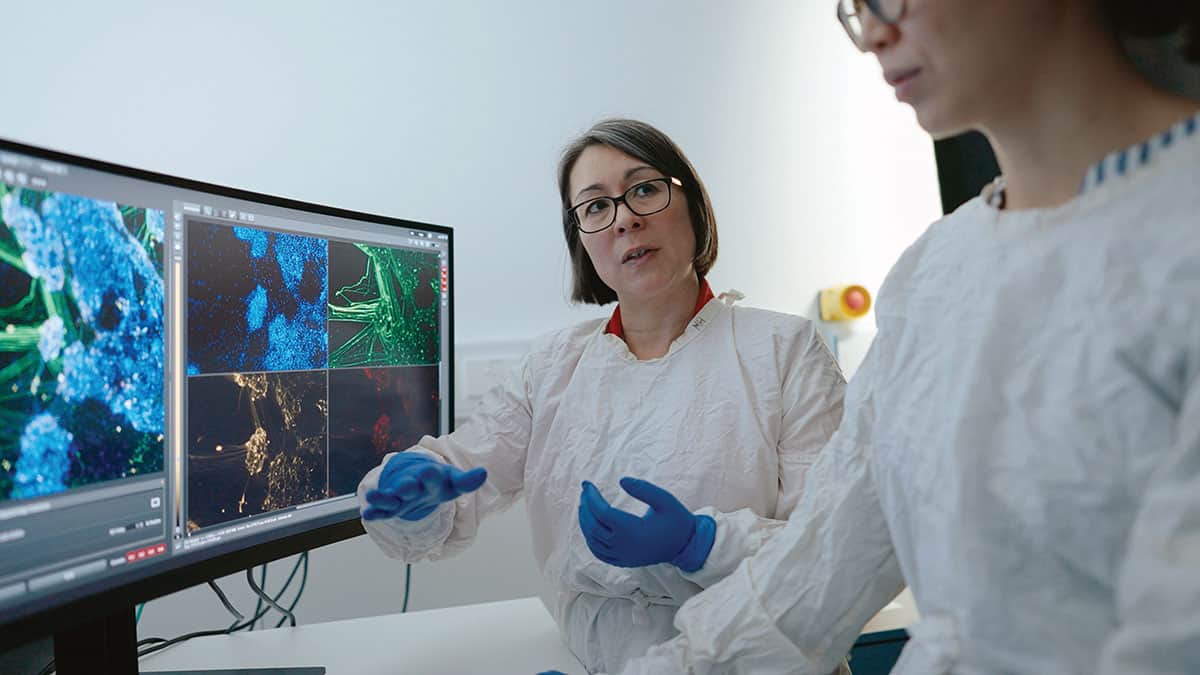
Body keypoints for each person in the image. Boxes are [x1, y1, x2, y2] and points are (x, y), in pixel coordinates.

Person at [559, 1, 1200, 673]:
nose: (872, 36)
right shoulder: (938, 267)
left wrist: (696, 542)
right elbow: (817, 567)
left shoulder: (1174, 235)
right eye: (856, 8)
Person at [357, 118, 849, 673]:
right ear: (582, 242)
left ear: (692, 206)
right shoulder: (553, 365)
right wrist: (418, 491)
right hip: (590, 657)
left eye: (644, 189)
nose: (627, 219)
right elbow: (464, 468)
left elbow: (833, 551)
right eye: (595, 207)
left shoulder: (785, 350)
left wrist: (702, 543)